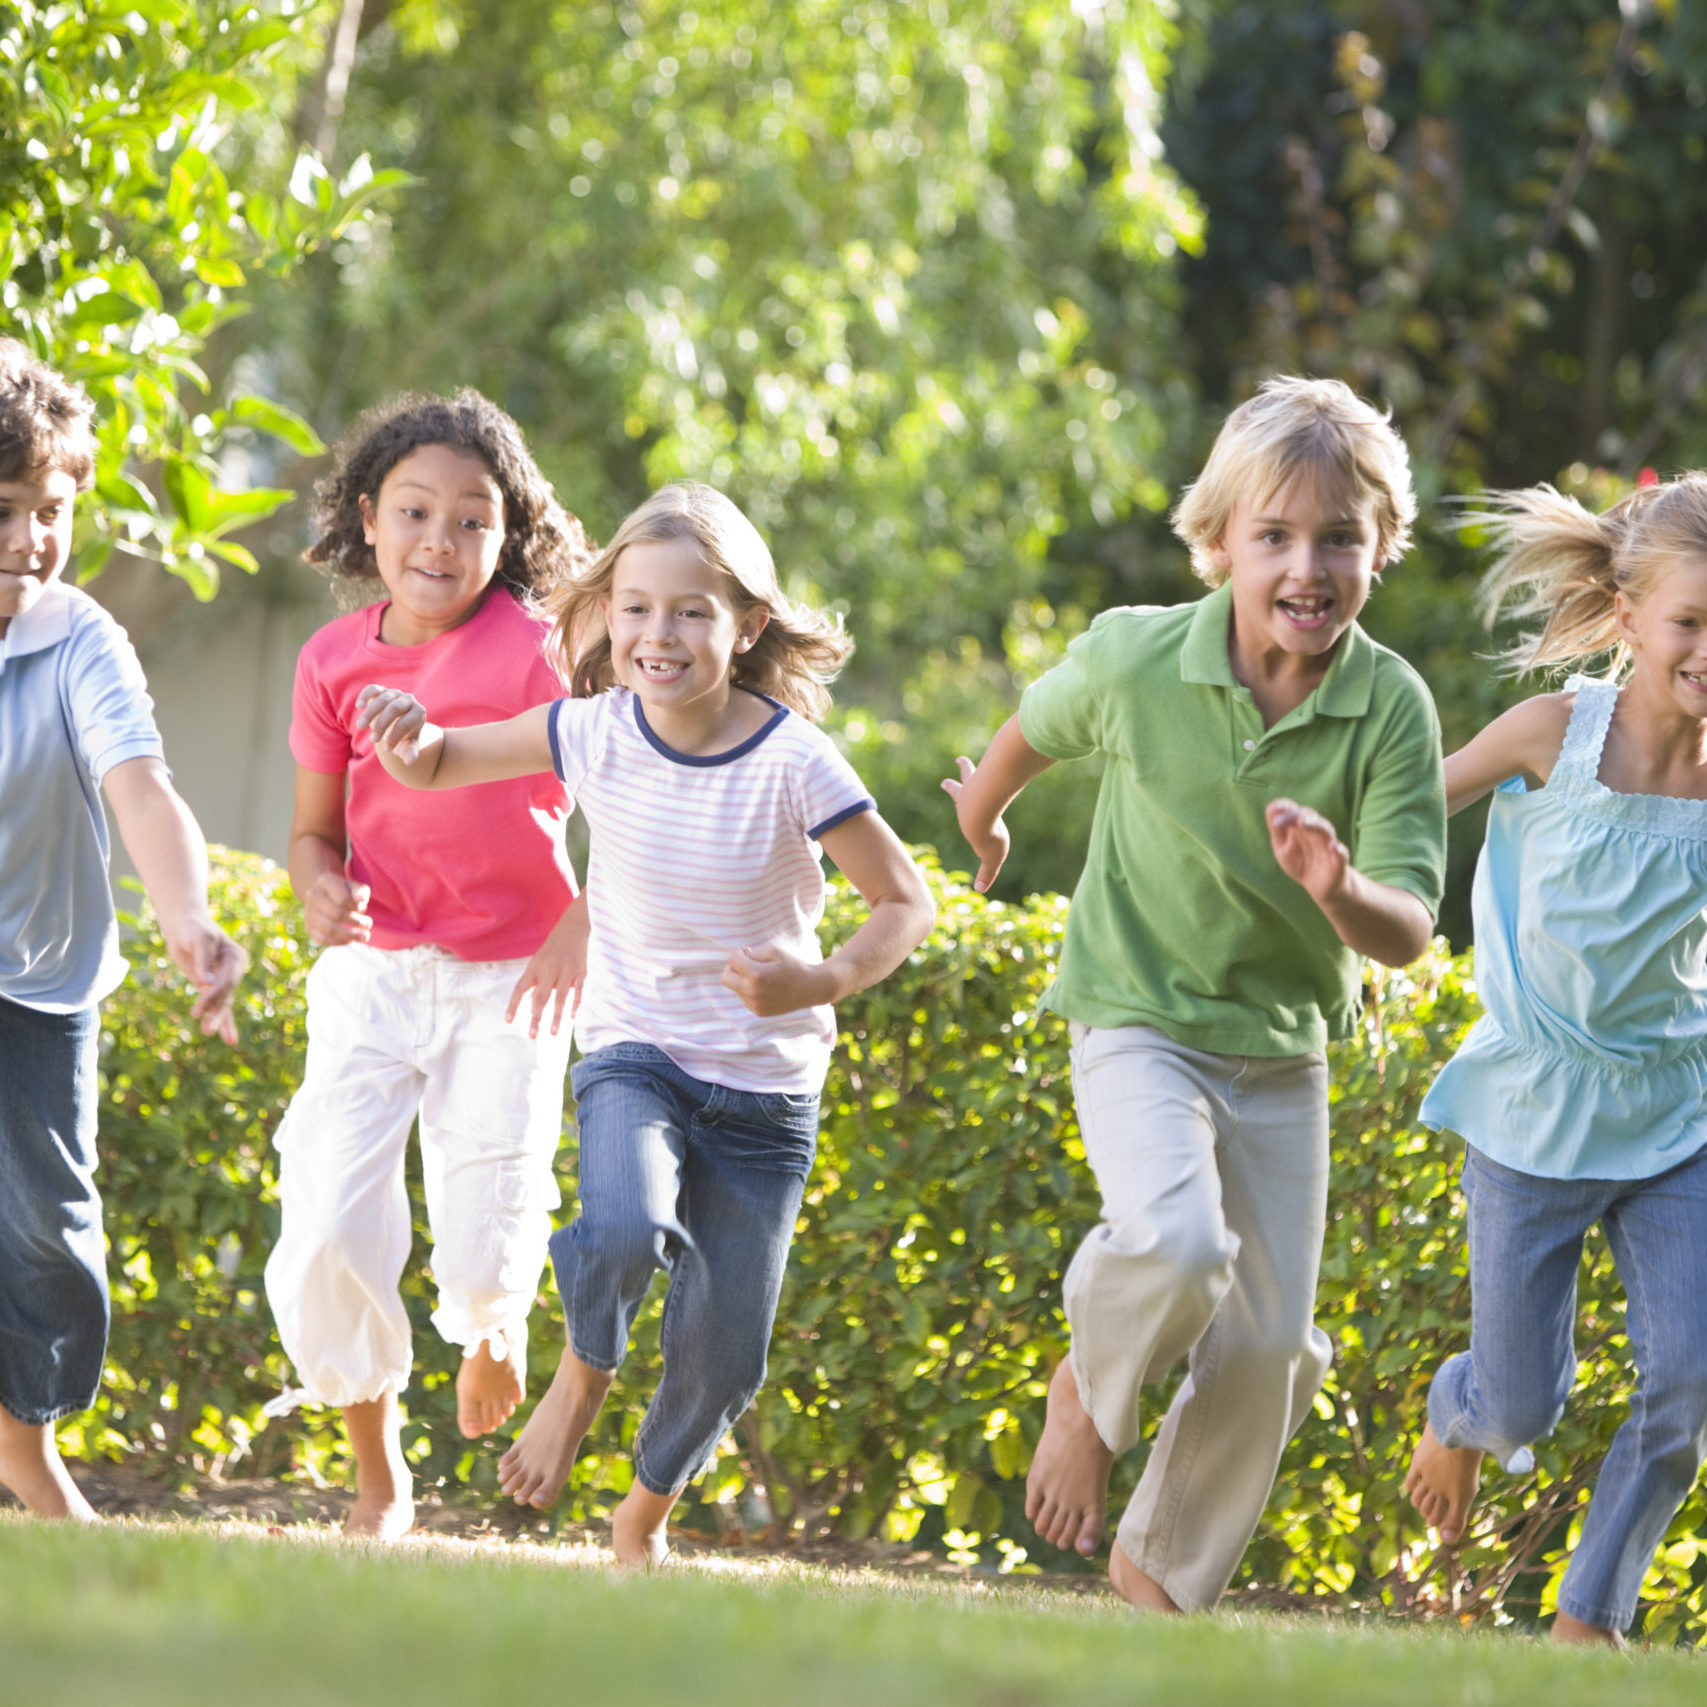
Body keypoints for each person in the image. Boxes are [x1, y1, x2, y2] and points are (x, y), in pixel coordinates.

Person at [358, 481, 934, 1564]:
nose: (655, 635)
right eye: (632, 609)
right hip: (638, 1053)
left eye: (689, 612)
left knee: (727, 1354)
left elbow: (905, 902)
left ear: (746, 625)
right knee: (622, 1225)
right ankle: (582, 1374)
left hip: (766, 1090)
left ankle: (640, 1523)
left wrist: (819, 982)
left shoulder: (795, 760)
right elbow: (440, 759)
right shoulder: (595, 732)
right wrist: (404, 735)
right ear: (605, 616)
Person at [945, 376, 1446, 1612]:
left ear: (1383, 545)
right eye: (1274, 536)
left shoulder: (1391, 710)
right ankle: (1088, 1395)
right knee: (1175, 1242)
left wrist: (1336, 888)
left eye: (1340, 536)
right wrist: (981, 812)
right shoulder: (1137, 656)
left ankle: (1158, 1583)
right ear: (1218, 541)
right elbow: (1033, 728)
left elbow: (1411, 928)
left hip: (1281, 1052)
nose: (1308, 566)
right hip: (1137, 1019)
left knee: (1274, 1347)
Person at [262, 390, 594, 1539]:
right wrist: (316, 884)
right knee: (327, 1218)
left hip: (516, 976)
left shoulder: (543, 652)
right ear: (370, 518)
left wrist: (580, 922)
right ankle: (377, 1475)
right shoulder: (331, 661)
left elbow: (637, 796)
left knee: (488, 1204)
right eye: (414, 513)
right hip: (378, 968)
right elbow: (314, 831)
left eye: (471, 520)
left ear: (511, 536)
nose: (439, 542)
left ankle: (493, 1325)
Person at [1403, 474, 1707, 1649]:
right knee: (1528, 1399)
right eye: (1691, 622)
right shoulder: (1554, 734)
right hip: (1534, 1108)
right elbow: (1414, 811)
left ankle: (1592, 1614)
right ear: (1628, 616)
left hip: (1676, 1115)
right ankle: (1461, 1405)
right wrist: (1332, 876)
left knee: (1689, 1379)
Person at [0, 339, 246, 1521]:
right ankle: (31, 1470)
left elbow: (141, 789)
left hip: (42, 987)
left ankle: (25, 1437)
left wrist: (189, 920)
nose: (26, 542)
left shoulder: (81, 639)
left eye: (47, 512)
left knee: (54, 1245)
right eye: (1, 511)